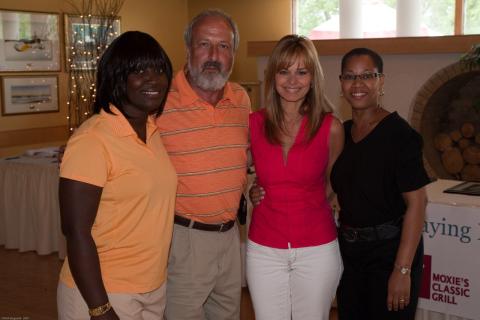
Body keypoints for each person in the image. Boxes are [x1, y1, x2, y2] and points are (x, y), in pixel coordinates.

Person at [57, 31, 176, 320]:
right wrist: (100, 308)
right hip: (104, 292)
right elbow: (76, 232)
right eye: (138, 70)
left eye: (159, 69)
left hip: (152, 287)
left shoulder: (151, 130)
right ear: (116, 77)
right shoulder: (93, 140)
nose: (153, 79)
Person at [155, 9, 250, 320]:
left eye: (223, 46)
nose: (214, 55)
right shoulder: (159, 100)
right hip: (184, 241)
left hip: (230, 237)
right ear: (188, 49)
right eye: (204, 44)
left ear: (233, 53)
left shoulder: (241, 99)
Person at [247, 34, 344, 320]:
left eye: (302, 72)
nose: (293, 80)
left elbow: (332, 187)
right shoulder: (253, 123)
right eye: (284, 70)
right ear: (272, 75)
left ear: (313, 77)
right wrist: (254, 187)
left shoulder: (331, 127)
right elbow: (236, 168)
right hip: (264, 248)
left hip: (317, 248)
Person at [331, 47, 430, 320]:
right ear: (341, 82)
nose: (358, 84)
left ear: (381, 81)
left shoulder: (400, 135)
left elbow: (418, 203)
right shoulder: (342, 133)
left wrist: (402, 270)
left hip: (389, 254)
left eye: (367, 76)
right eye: (350, 76)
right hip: (350, 255)